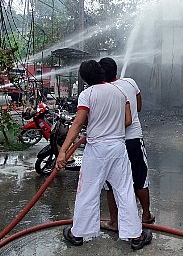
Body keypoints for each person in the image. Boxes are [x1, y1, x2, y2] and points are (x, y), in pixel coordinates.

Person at [56, 60, 152, 250]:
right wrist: (109, 127)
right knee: (124, 190)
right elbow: (127, 119)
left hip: (97, 150)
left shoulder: (87, 94)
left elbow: (77, 124)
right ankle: (135, 235)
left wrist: (63, 151)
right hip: (118, 148)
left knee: (88, 190)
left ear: (85, 78)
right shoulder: (119, 92)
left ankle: (78, 234)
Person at [99, 57, 154, 232]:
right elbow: (138, 106)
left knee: (111, 183)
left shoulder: (102, 91)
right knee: (140, 178)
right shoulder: (130, 83)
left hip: (113, 142)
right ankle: (146, 215)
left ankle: (115, 222)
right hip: (134, 140)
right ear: (116, 69)